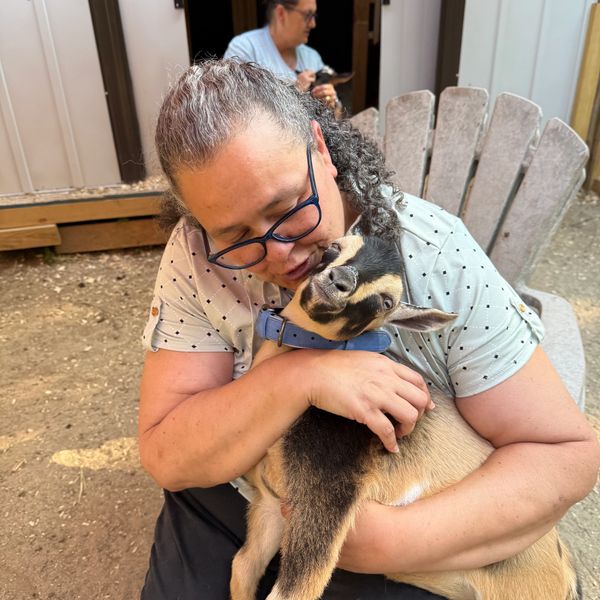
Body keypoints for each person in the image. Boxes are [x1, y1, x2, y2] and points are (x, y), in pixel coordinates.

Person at [138, 59, 600, 599]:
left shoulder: (435, 255)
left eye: (288, 207)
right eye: (236, 235)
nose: (280, 252)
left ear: (320, 147)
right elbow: (168, 455)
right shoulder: (196, 255)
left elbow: (565, 455)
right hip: (242, 502)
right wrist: (299, 378)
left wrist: (389, 541)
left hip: (399, 521)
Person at [224, 0, 341, 113]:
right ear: (281, 13)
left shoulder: (312, 57)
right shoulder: (245, 49)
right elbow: (232, 111)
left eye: (314, 16)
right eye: (307, 15)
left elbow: (338, 115)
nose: (313, 24)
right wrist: (294, 93)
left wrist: (331, 104)